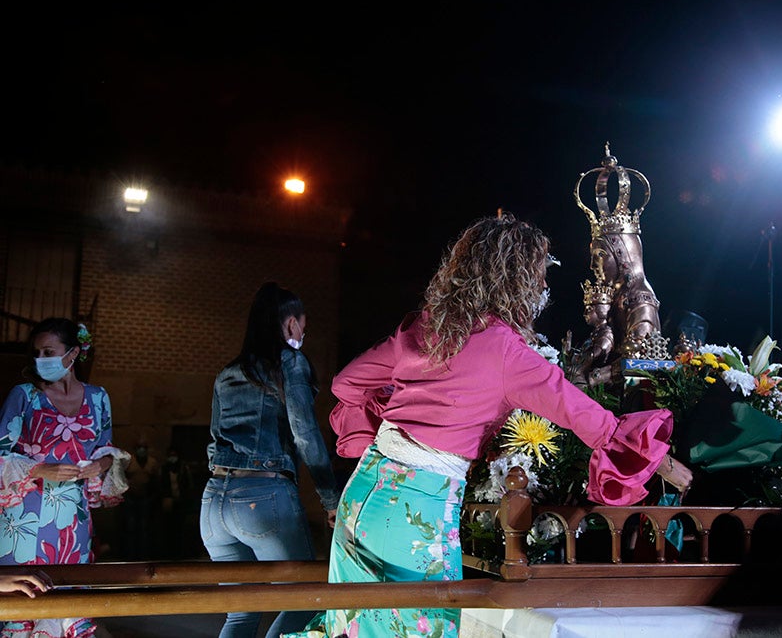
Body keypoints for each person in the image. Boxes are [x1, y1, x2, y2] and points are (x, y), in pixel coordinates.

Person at [288, 214, 693, 638]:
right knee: (418, 629)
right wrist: (664, 462)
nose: (541, 289)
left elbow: (346, 383)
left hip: (364, 490)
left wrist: (400, 412)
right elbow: (588, 417)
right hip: (417, 507)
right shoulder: (507, 352)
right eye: (537, 277)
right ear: (515, 280)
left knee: (350, 625)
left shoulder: (422, 326)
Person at [201, 282, 341, 638]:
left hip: (214, 501)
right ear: (291, 323)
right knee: (306, 597)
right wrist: (330, 498)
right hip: (262, 496)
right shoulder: (289, 362)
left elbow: (214, 437)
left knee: (241, 613)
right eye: (303, 326)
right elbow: (305, 433)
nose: (303, 333)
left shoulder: (227, 372)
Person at [0, 318, 130, 638]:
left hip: (73, 519)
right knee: (25, 601)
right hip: (23, 519)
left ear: (73, 353)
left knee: (70, 597)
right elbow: (1, 454)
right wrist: (38, 469)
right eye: (37, 352)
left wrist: (100, 466)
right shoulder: (24, 395)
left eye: (49, 351)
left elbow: (106, 449)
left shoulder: (99, 397)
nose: (41, 358)